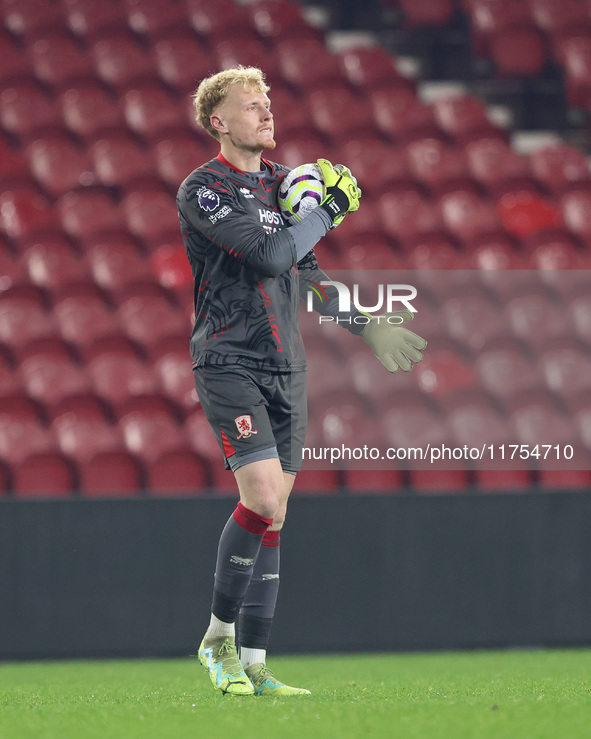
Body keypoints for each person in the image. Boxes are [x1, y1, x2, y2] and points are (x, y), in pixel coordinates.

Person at [177, 66, 427, 697]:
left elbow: (306, 273)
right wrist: (327, 211)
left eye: (268, 102)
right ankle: (216, 640)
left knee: (276, 514)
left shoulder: (285, 187)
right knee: (261, 495)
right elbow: (268, 256)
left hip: (286, 366)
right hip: (230, 358)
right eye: (250, 105)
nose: (265, 112)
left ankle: (256, 665)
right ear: (219, 121)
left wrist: (366, 325)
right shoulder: (204, 189)